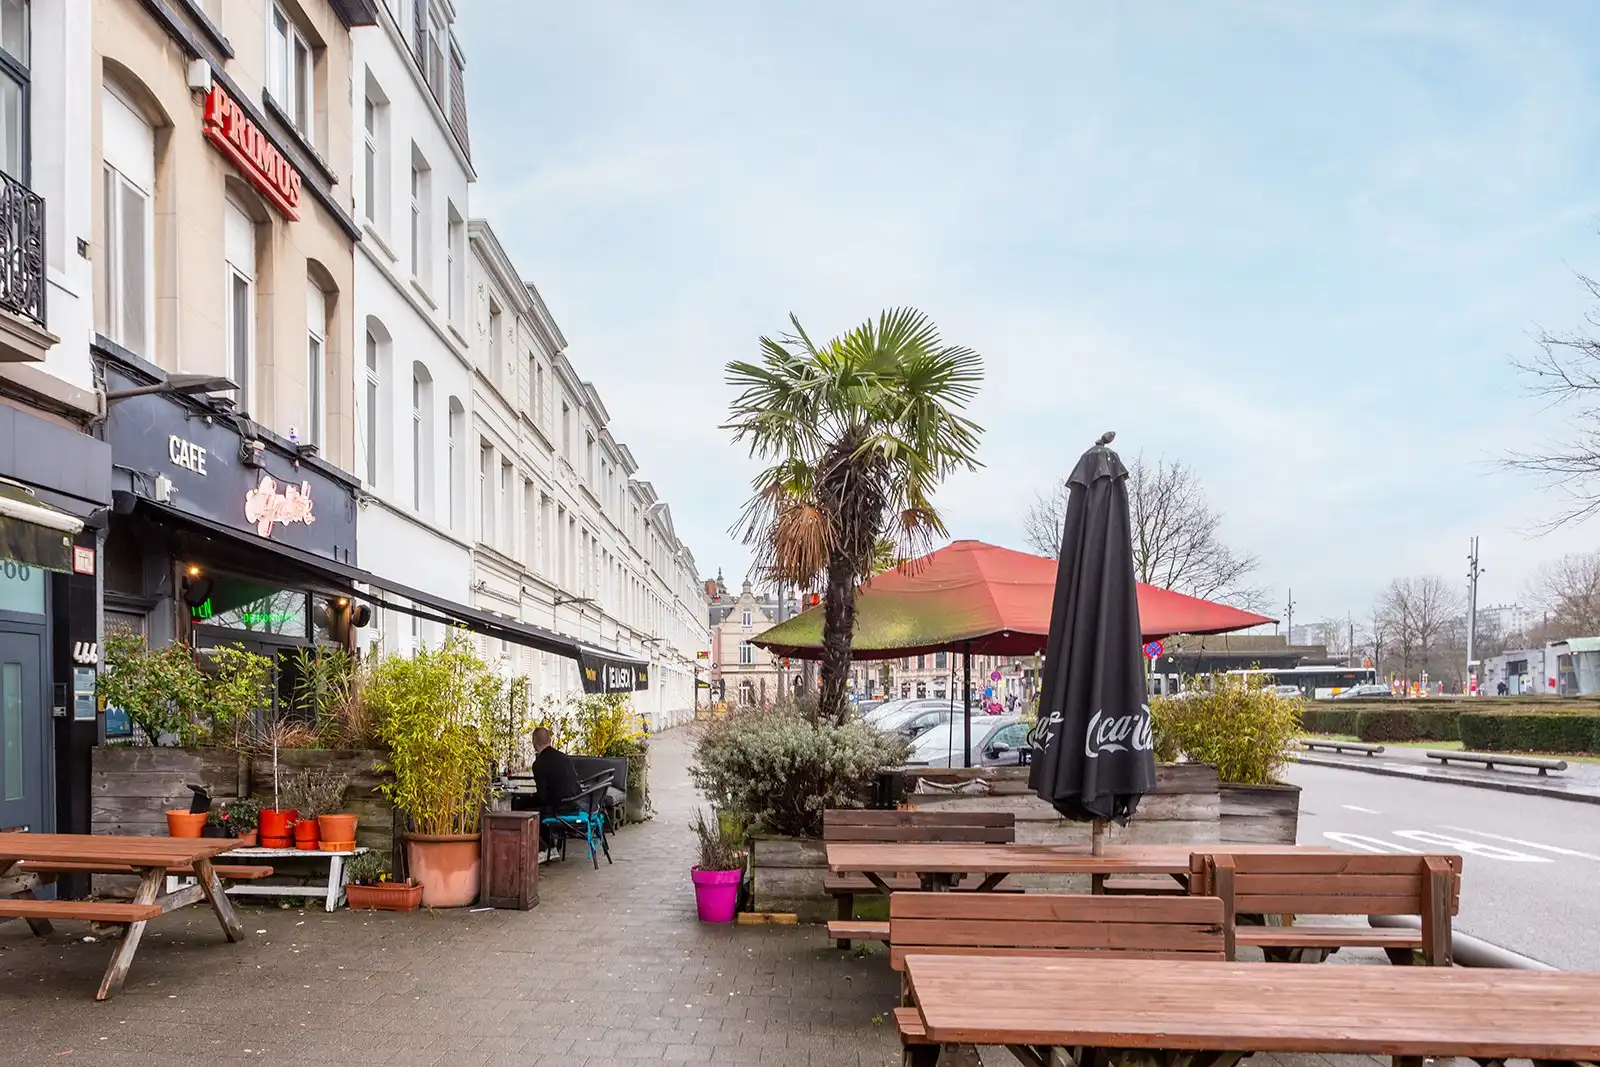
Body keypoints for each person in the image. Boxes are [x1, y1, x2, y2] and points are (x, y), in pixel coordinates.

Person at [532, 726, 580, 852]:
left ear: (534, 742)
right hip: (575, 805)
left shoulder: (539, 764)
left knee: (529, 811)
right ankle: (550, 847)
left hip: (558, 810)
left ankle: (545, 848)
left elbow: (543, 796)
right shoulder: (566, 759)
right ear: (550, 740)